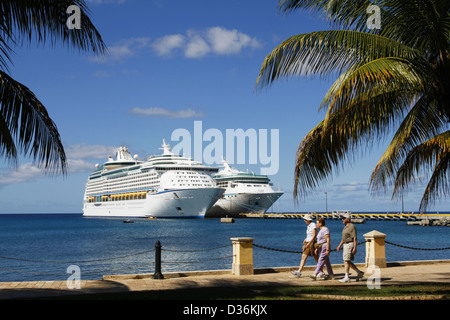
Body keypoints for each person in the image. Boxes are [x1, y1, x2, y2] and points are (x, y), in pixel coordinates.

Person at [336, 213, 364, 282]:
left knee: (346, 261)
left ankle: (346, 277)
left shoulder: (352, 227)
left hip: (349, 244)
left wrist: (355, 247)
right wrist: (340, 245)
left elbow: (354, 238)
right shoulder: (345, 226)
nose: (342, 220)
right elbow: (344, 238)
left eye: (344, 218)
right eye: (342, 218)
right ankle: (359, 272)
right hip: (345, 244)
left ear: (348, 219)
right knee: (347, 261)